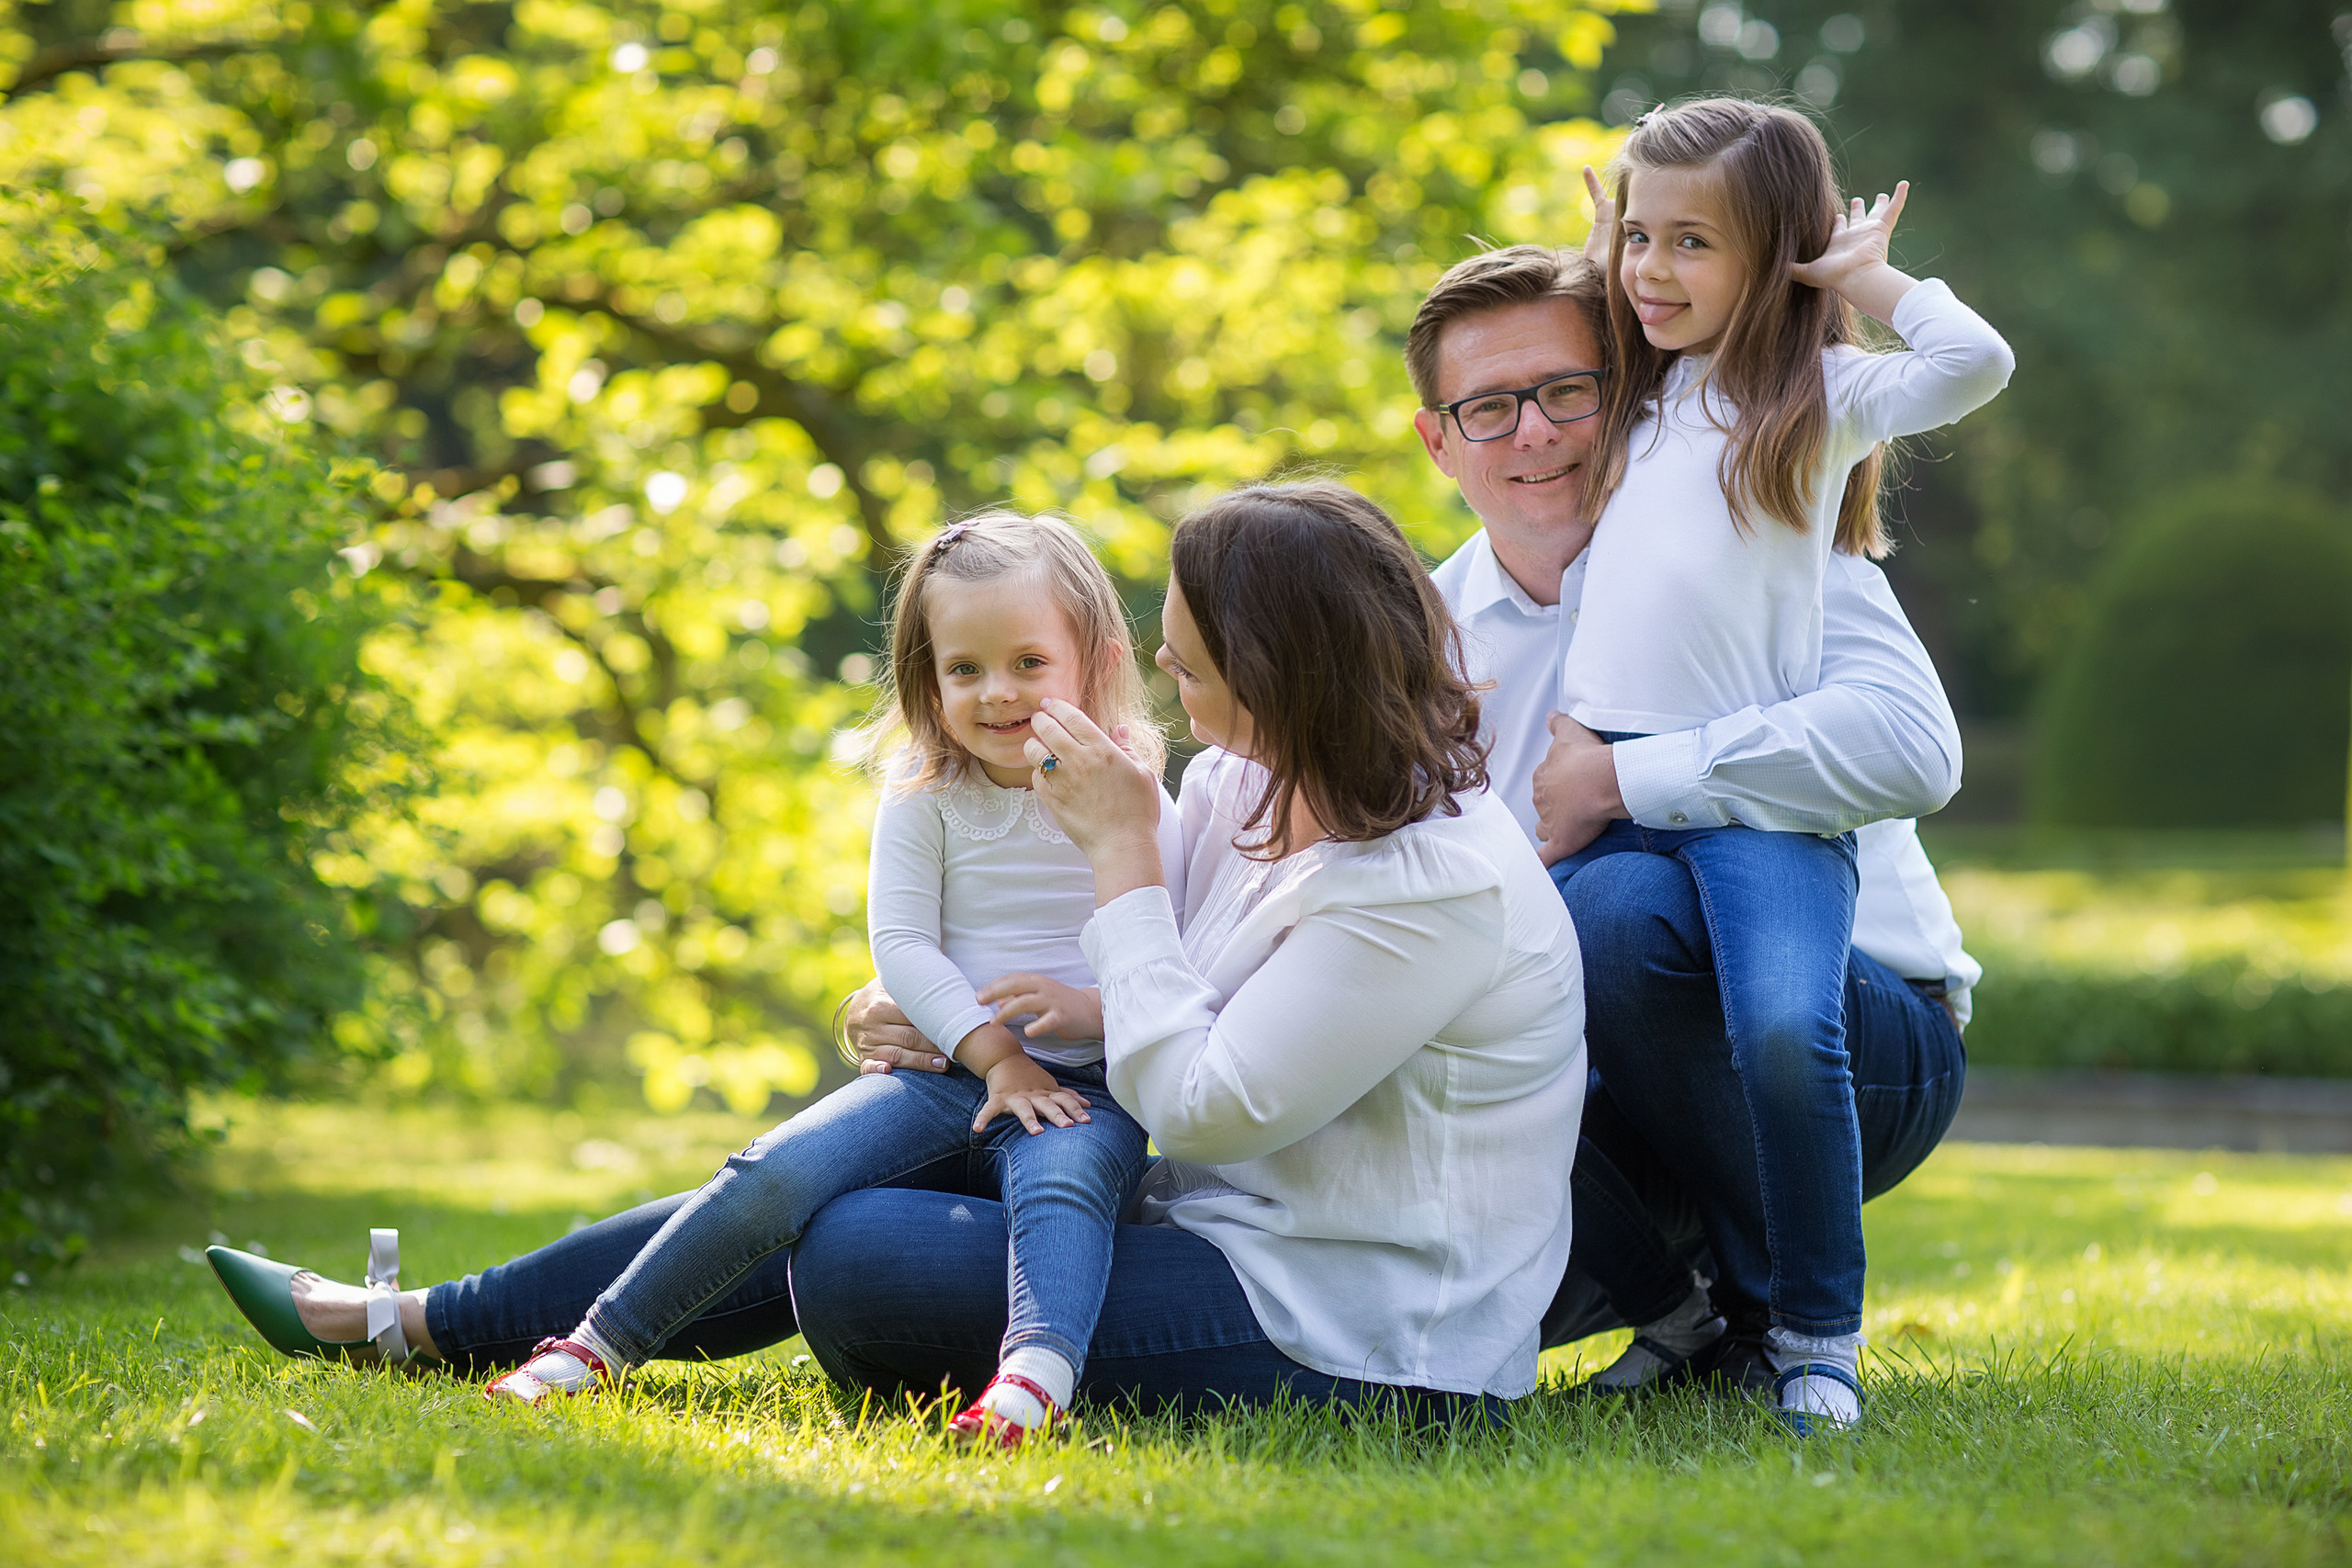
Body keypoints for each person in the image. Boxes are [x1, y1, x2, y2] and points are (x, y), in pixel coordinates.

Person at [209, 482, 1589, 1427]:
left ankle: (457, 1324)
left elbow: (1205, 1096)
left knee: (859, 1255)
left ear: (1286, 671)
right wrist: (952, 1018)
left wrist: (1114, 862)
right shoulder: (1248, 780)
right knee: (854, 1157)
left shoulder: (1430, 884)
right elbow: (1158, 1000)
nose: (1166, 687)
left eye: (1188, 663)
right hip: (1203, 1211)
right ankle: (439, 1318)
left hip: (1349, 1317)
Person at [216, 511, 1184, 1448]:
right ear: (922, 678)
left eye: (1028, 663)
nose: (996, 693)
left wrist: (1089, 1016)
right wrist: (991, 1054)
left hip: (1086, 1089)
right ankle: (592, 1346)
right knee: (774, 1172)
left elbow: (1177, 957)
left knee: (1064, 1189)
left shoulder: (1135, 790)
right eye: (963, 669)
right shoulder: (927, 795)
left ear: (1096, 658)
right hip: (944, 1075)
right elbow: (903, 944)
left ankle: (1033, 1381)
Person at [1406, 217, 1991, 1432]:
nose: (1536, 432)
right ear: (1437, 440)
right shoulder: (1416, 643)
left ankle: (1791, 1330)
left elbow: (1919, 750)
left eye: (1569, 389)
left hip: (1859, 1027)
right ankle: (1692, 1310)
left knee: (1616, 903)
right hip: (1601, 1066)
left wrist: (1627, 781)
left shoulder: (1756, 548)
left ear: (1632, 397)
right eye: (1490, 407)